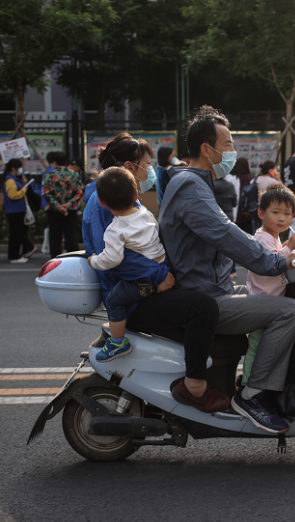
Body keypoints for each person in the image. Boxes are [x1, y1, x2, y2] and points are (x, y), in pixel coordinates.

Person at [160, 105, 295, 433]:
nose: (233, 151)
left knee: (264, 295)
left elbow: (230, 232)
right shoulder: (191, 185)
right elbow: (227, 235)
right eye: (228, 144)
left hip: (211, 288)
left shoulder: (195, 181)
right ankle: (252, 394)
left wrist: (281, 249)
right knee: (287, 312)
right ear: (207, 149)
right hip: (205, 297)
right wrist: (276, 261)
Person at [82, 131, 225, 412]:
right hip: (132, 295)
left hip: (144, 285)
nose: (148, 171)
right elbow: (115, 259)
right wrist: (160, 275)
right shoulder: (100, 205)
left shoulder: (125, 199)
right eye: (145, 166)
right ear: (127, 168)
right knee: (203, 308)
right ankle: (195, 386)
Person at [87, 167, 171, 362]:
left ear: (101, 202)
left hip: (141, 281)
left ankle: (118, 342)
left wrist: (94, 261)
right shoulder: (145, 213)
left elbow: (112, 259)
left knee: (114, 301)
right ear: (136, 194)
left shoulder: (114, 230)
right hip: (162, 265)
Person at [242, 185, 295, 387]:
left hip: (270, 301)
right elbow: (273, 262)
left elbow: (278, 256)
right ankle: (248, 385)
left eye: (287, 214)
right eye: (275, 212)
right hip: (262, 303)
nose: (281, 218)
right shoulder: (262, 237)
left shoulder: (273, 236)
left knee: (262, 345)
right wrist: (290, 248)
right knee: (257, 346)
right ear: (261, 213)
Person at [43, 152, 84, 258]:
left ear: (54, 162)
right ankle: (73, 259)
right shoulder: (74, 174)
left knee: (55, 237)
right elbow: (79, 192)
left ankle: (55, 261)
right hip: (71, 210)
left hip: (53, 210)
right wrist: (69, 204)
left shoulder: (49, 175)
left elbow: (46, 193)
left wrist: (57, 206)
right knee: (71, 235)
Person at [3, 158, 37, 264]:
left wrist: (23, 184)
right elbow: (13, 195)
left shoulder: (15, 179)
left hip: (18, 209)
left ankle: (15, 255)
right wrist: (24, 189)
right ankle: (14, 256)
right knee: (15, 234)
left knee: (17, 233)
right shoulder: (10, 180)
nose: (20, 170)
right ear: (13, 169)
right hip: (14, 210)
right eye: (19, 168)